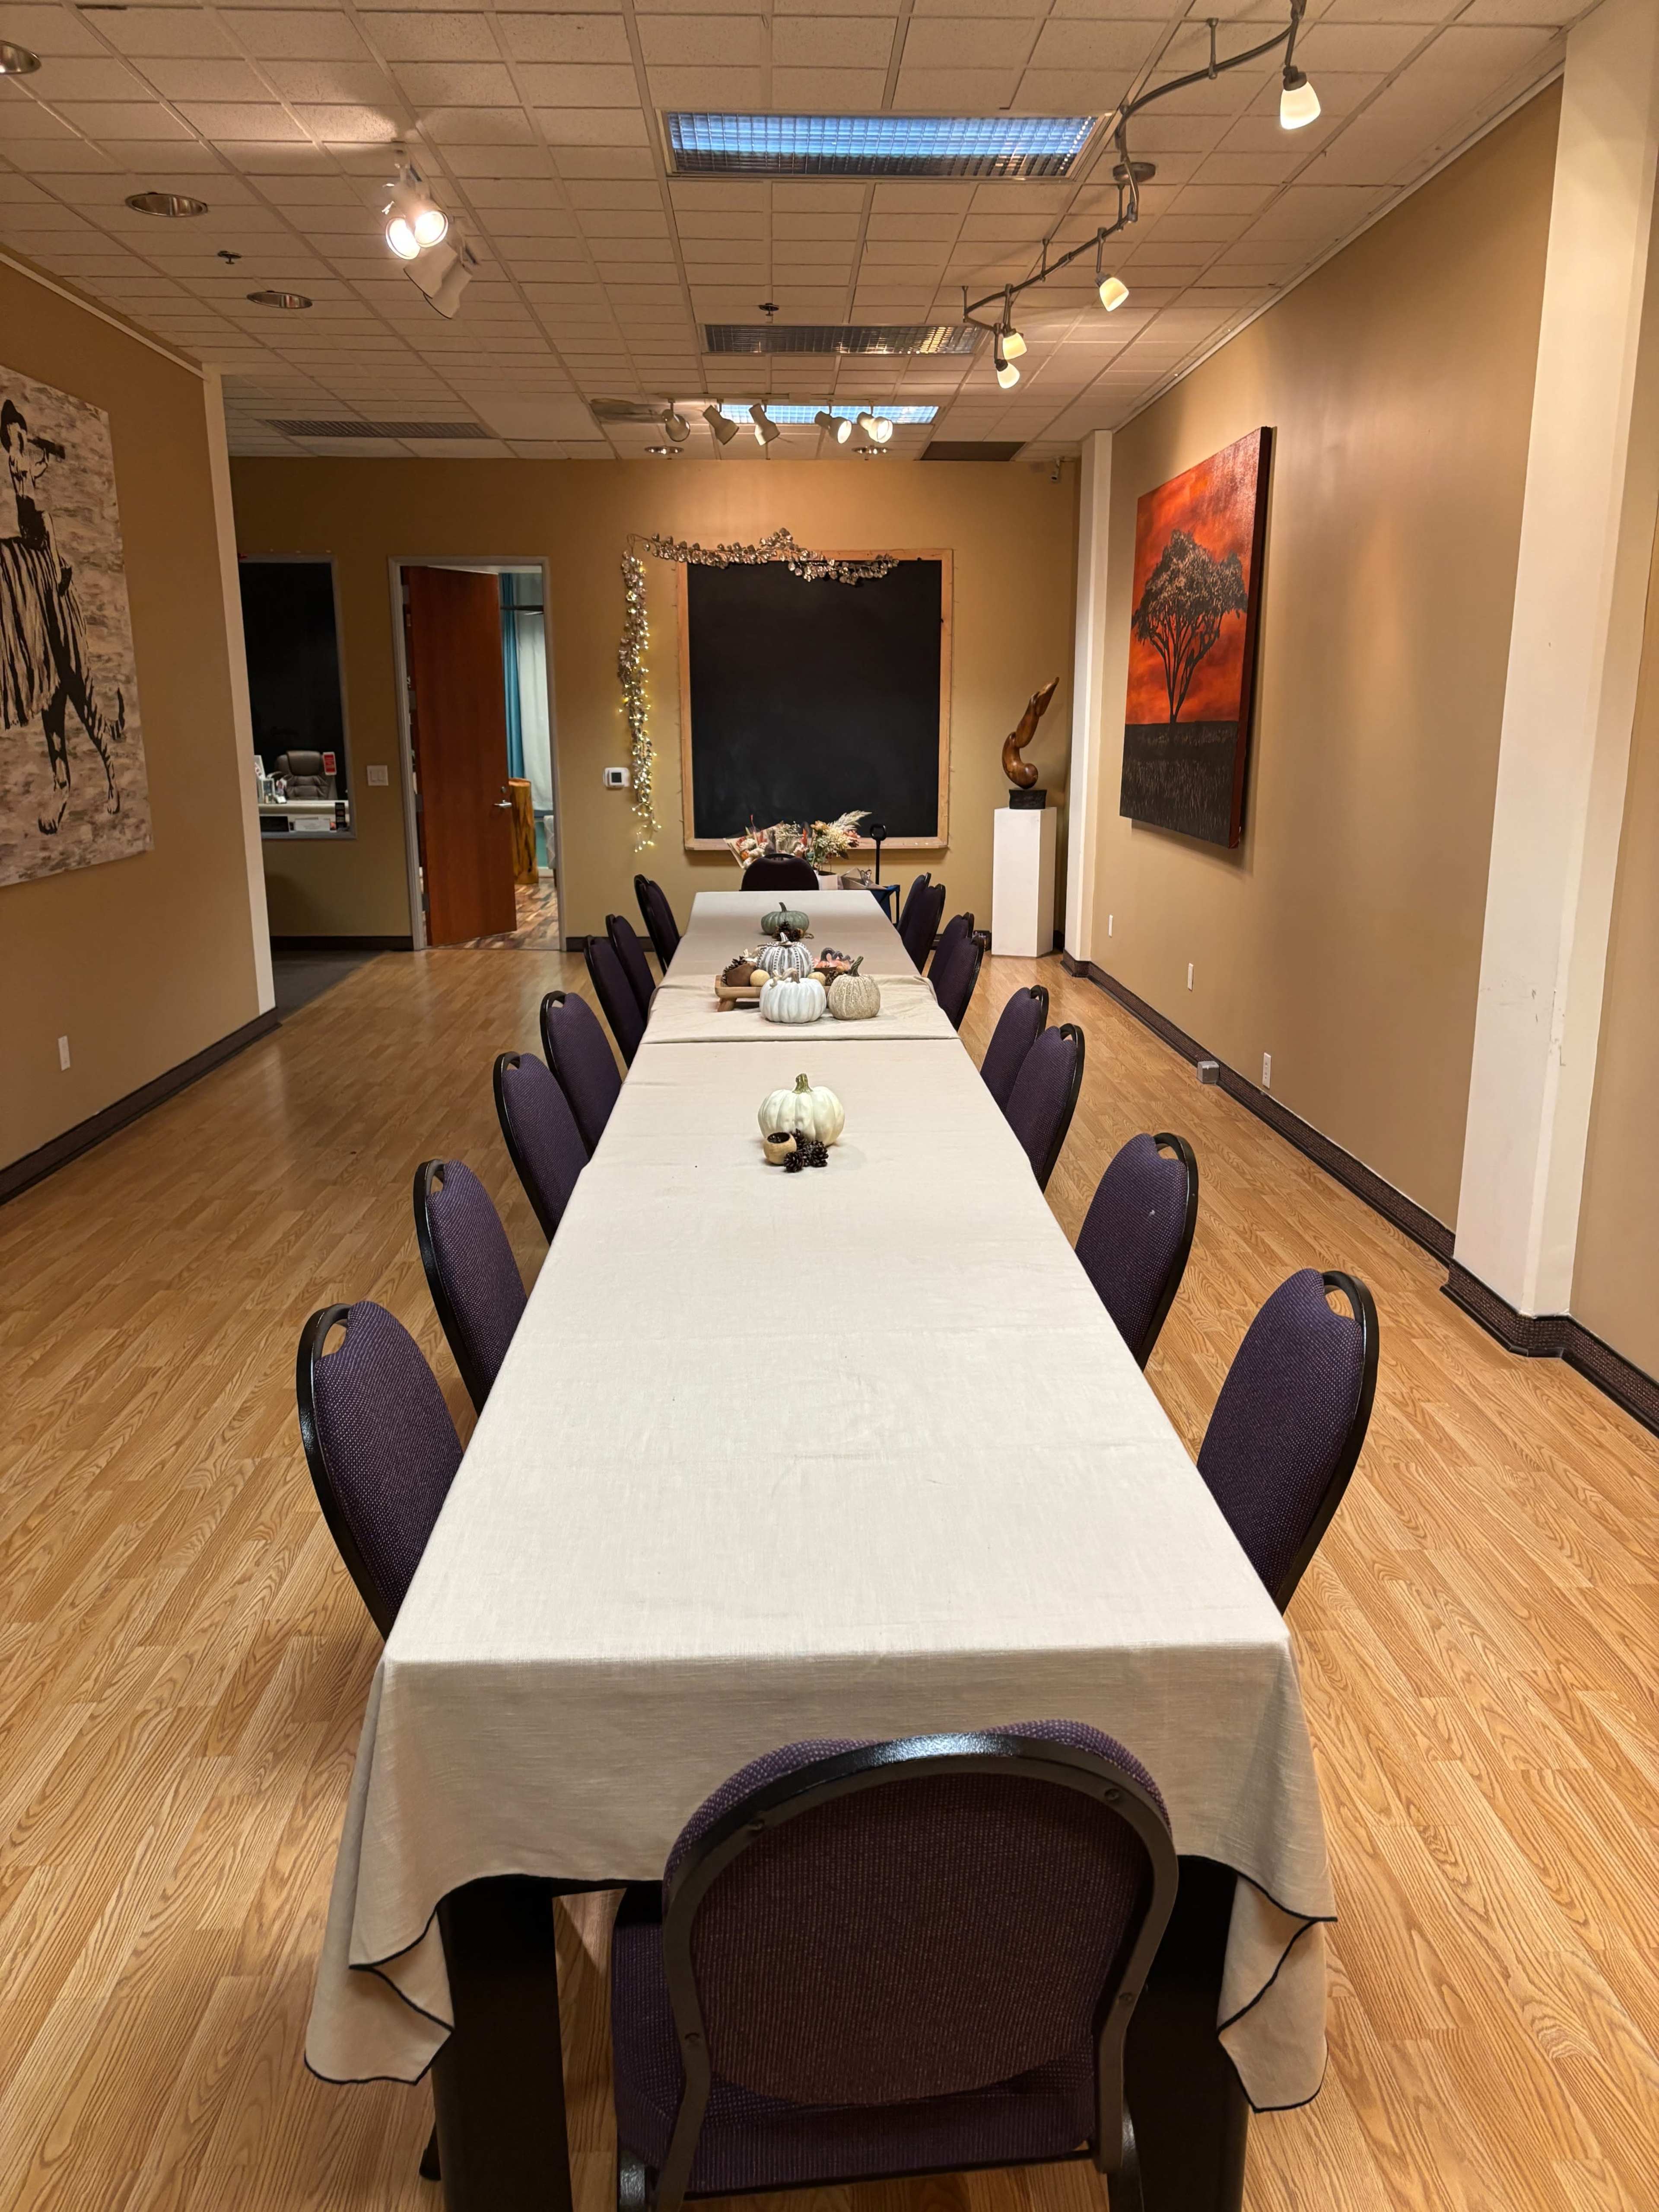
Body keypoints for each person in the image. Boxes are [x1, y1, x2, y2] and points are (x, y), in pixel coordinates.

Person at [0, 395, 126, 834]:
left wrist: (42, 463)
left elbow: (33, 486)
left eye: (18, 429)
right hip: (35, 534)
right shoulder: (15, 457)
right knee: (53, 718)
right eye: (13, 431)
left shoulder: (19, 459)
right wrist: (39, 458)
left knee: (80, 703)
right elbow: (26, 477)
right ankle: (63, 786)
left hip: (40, 537)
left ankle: (110, 776)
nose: (16, 436)